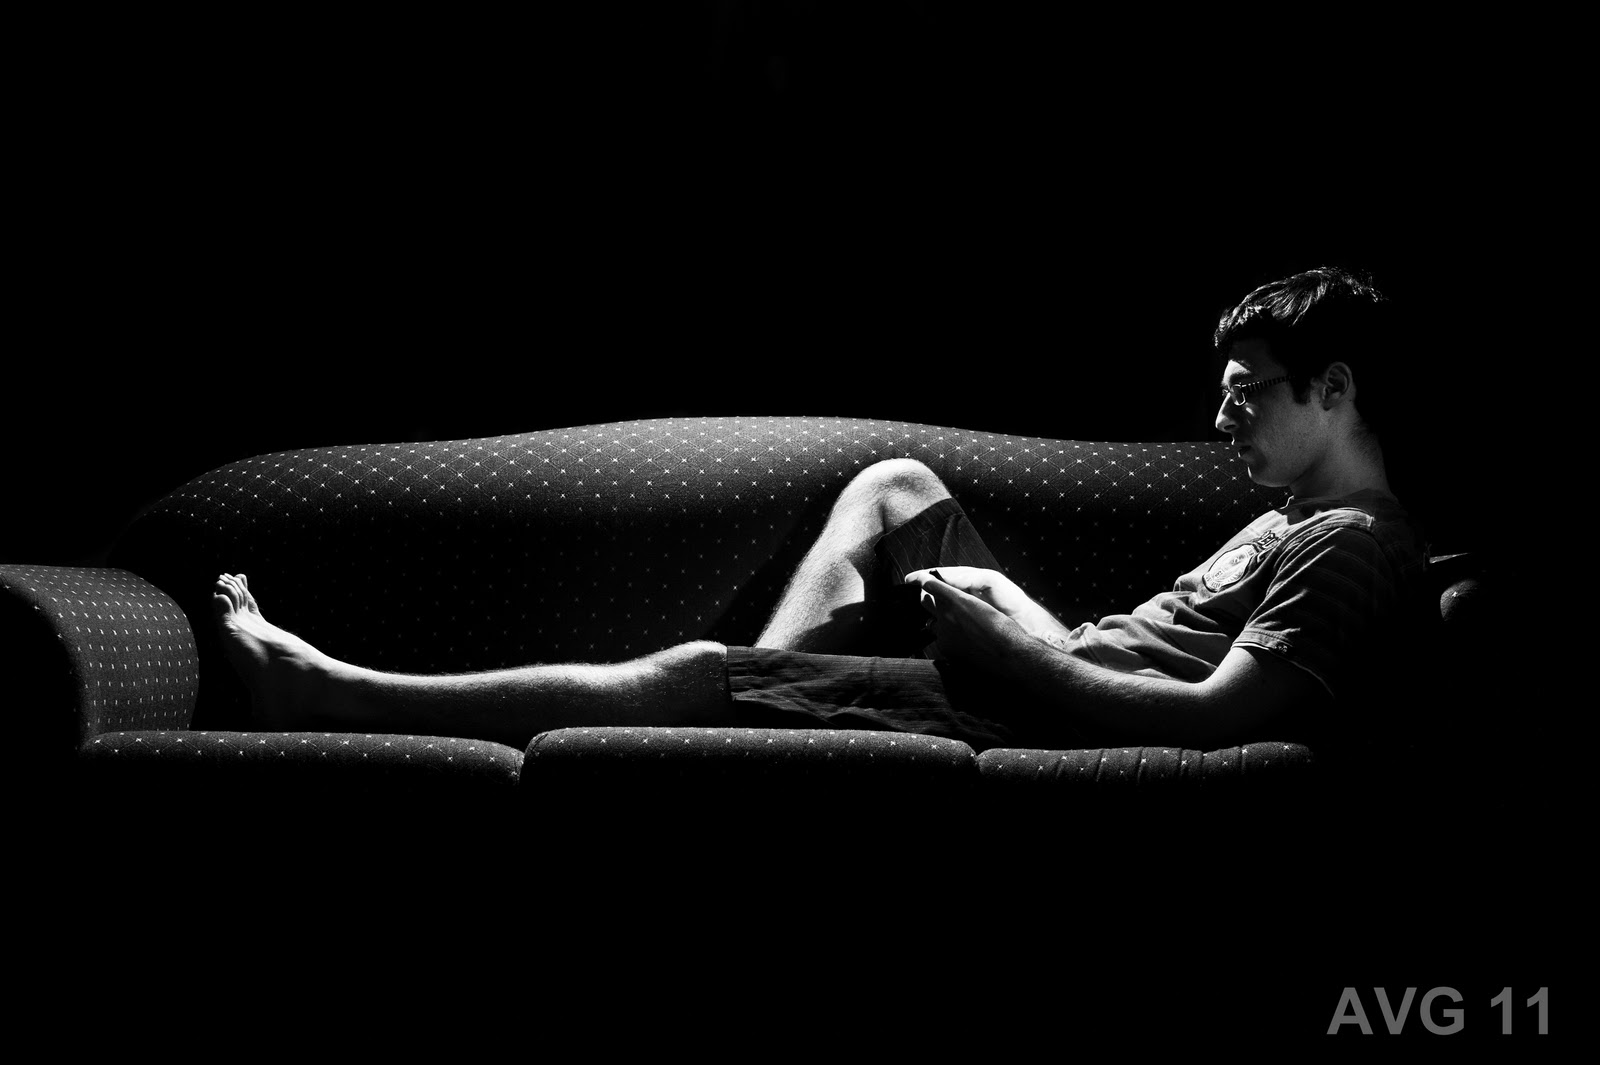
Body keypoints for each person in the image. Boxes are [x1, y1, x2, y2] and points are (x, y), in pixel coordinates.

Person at [212, 266, 1429, 754]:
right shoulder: (1290, 516)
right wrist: (1029, 623)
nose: (1221, 417)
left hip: (1041, 718)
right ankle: (758, 731)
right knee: (896, 485)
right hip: (1061, 668)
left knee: (695, 674)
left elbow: (1218, 727)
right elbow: (1149, 652)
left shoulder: (1350, 545)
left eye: (1247, 393)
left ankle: (331, 690)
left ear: (1333, 390)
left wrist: (1012, 657)